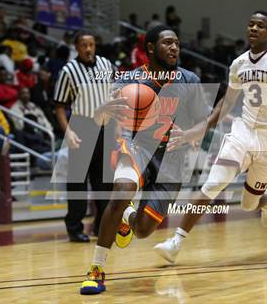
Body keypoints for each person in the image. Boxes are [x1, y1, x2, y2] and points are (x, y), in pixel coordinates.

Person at [154, 11, 267, 264]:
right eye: (251, 24)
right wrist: (195, 130)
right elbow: (226, 104)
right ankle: (175, 243)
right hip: (243, 132)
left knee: (249, 204)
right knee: (211, 186)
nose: (254, 28)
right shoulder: (239, 63)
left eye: (260, 25)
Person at [79, 25, 212, 295]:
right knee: (120, 193)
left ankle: (128, 216)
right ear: (150, 48)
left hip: (171, 160)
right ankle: (96, 269)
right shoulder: (128, 80)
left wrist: (189, 135)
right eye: (167, 43)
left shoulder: (189, 81)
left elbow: (203, 121)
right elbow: (99, 119)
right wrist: (101, 111)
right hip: (136, 147)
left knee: (142, 230)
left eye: (176, 43)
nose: (174, 48)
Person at [53, 31, 119, 243]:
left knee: (104, 183)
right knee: (78, 182)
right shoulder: (68, 71)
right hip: (81, 126)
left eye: (91, 44)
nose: (88, 49)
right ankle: (74, 228)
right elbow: (60, 107)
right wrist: (68, 132)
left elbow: (116, 94)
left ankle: (101, 226)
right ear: (77, 47)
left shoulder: (106, 65)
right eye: (84, 45)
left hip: (106, 126)